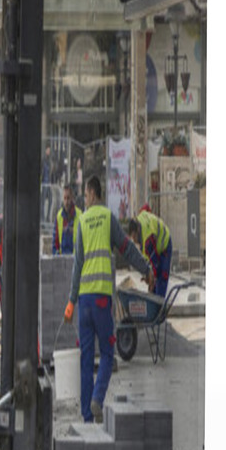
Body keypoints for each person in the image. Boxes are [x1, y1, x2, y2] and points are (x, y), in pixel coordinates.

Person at [64, 175, 152, 424]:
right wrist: (145, 269)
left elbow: (77, 264)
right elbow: (127, 248)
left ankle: (86, 416)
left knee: (85, 357)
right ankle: (97, 398)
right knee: (107, 353)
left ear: (92, 193)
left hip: (83, 301)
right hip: (102, 299)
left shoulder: (82, 221)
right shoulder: (107, 219)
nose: (85, 199)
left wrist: (71, 301)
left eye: (86, 194)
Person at [128, 209, 173, 297]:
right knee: (155, 278)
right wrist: (148, 275)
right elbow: (147, 260)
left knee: (162, 276)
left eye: (134, 237)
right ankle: (154, 299)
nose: (134, 240)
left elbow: (155, 263)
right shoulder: (138, 222)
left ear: (137, 230)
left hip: (165, 245)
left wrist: (152, 280)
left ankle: (159, 304)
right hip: (155, 245)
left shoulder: (147, 238)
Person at [53, 184, 82, 255]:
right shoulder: (59, 216)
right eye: (64, 198)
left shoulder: (80, 215)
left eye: (68, 198)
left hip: (75, 259)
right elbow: (55, 242)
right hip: (62, 258)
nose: (66, 202)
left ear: (72, 198)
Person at [41, 145, 53, 223]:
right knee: (42, 201)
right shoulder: (43, 160)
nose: (48, 151)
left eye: (49, 150)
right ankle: (43, 218)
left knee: (51, 199)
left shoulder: (49, 160)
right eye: (47, 150)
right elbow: (42, 171)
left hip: (48, 182)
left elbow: (50, 172)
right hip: (44, 182)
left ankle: (48, 217)